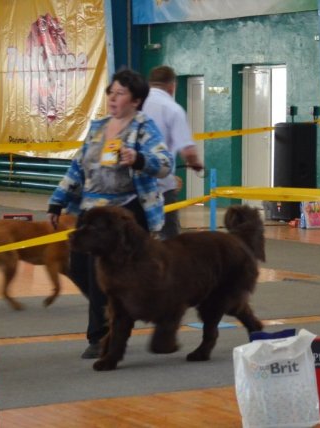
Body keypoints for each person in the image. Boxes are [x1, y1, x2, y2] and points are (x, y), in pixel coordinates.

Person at [47, 68, 172, 359]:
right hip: (91, 210)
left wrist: (139, 158)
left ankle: (100, 336)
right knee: (78, 268)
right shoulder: (98, 127)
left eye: (120, 93)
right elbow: (77, 167)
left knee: (97, 271)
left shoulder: (143, 127)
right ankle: (120, 309)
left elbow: (165, 163)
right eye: (110, 92)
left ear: (136, 100)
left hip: (125, 211)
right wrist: (57, 201)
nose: (113, 98)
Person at [142, 65, 204, 239]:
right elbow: (187, 150)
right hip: (162, 186)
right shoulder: (173, 109)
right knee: (169, 241)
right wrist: (196, 165)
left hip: (134, 186)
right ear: (172, 86)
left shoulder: (136, 103)